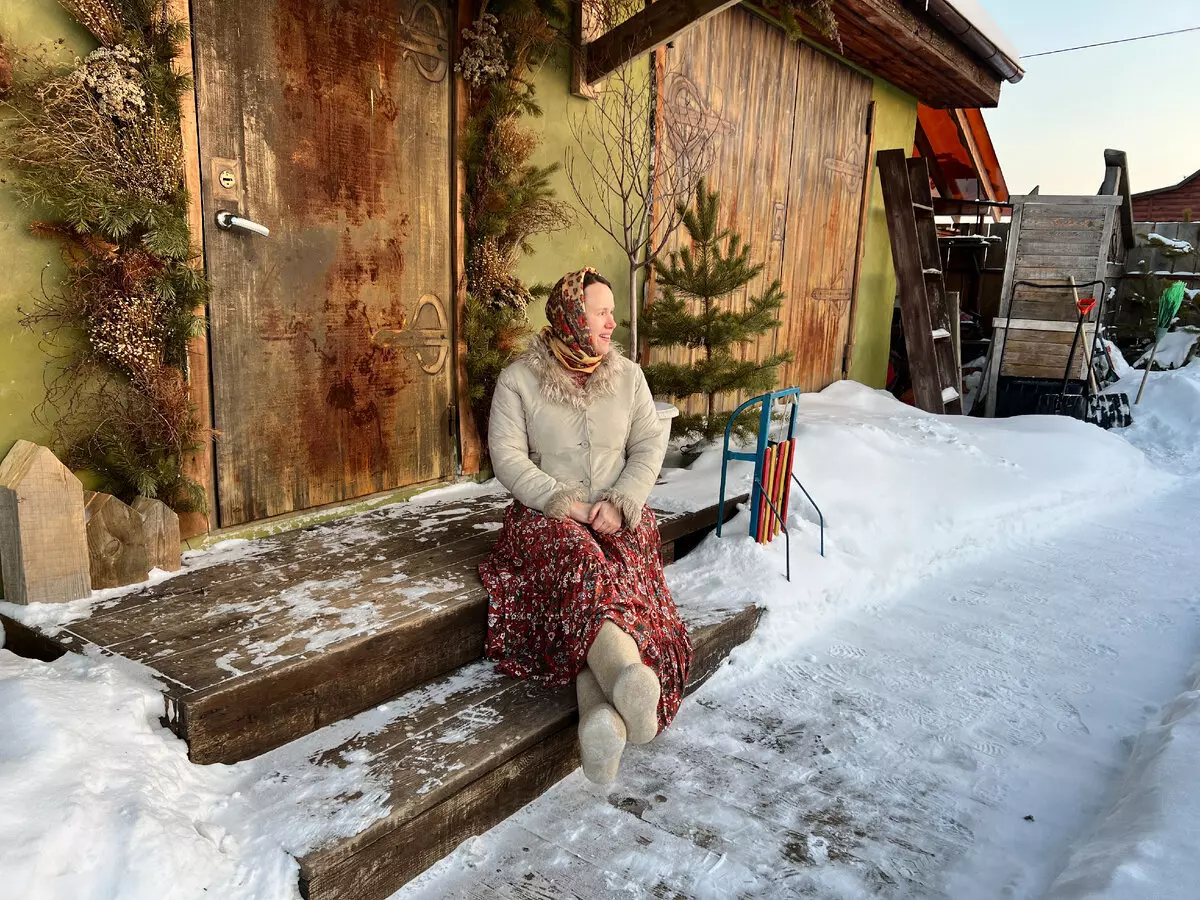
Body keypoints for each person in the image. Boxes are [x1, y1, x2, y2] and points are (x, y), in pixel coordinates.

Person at [479, 267, 693, 783]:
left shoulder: (628, 376)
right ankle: (624, 676)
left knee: (606, 568)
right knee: (582, 562)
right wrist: (561, 501)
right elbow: (506, 457)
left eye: (610, 311)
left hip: (616, 515)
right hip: (546, 518)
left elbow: (648, 445)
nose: (610, 321)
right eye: (600, 311)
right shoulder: (519, 379)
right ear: (572, 315)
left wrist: (623, 501)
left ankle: (603, 720)